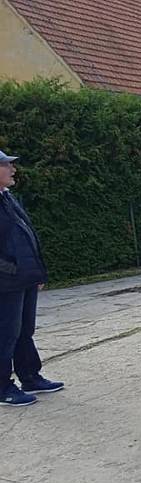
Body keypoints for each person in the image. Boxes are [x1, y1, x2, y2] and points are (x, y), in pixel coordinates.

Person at [0, 150, 64, 407]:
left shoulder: (7, 198)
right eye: (6, 165)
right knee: (6, 334)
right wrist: (12, 270)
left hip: (24, 278)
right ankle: (3, 387)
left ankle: (30, 376)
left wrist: (36, 272)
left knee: (25, 331)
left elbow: (26, 237)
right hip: (6, 282)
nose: (13, 169)